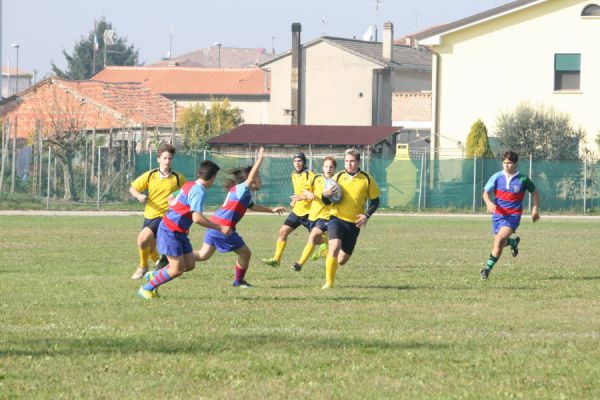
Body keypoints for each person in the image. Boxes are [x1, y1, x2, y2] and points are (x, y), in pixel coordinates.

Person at [137, 160, 231, 299]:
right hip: (171, 231)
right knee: (176, 269)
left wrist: (176, 209)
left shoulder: (190, 184)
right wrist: (219, 227)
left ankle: (154, 275)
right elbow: (197, 218)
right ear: (212, 177)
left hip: (178, 231)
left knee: (189, 264)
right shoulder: (199, 191)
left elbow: (170, 197)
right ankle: (145, 289)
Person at [194, 147, 286, 287]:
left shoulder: (243, 193)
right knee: (245, 254)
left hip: (215, 223)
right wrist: (260, 158)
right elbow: (250, 178)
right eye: (258, 178)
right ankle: (238, 281)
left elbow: (252, 206)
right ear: (252, 179)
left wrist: (271, 210)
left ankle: (173, 257)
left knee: (202, 255)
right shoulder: (243, 188)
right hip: (224, 227)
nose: (260, 181)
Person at [322, 149, 380, 289]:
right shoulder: (337, 177)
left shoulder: (367, 179)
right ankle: (329, 283)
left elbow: (375, 201)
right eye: (347, 161)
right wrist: (325, 195)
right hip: (336, 218)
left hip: (354, 223)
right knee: (335, 248)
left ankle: (325, 250)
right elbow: (327, 202)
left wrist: (366, 215)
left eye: (352, 161)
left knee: (341, 260)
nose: (349, 164)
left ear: (358, 162)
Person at [480, 150, 540, 280]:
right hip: (498, 215)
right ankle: (513, 242)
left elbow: (534, 192)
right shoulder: (496, 176)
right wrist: (489, 203)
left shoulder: (522, 179)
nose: (506, 165)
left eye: (509, 163)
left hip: (513, 216)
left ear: (516, 164)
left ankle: (486, 269)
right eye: (504, 162)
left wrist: (535, 209)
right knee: (501, 243)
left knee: (499, 239)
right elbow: (485, 192)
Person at [129, 143, 185, 280]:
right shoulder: (150, 175)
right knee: (150, 246)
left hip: (165, 217)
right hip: (149, 215)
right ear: (158, 159)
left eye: (170, 158)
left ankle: (143, 267)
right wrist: (139, 195)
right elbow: (132, 188)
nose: (167, 161)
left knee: (142, 240)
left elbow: (186, 193)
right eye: (164, 158)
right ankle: (159, 263)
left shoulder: (178, 178)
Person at [262, 152, 315, 267]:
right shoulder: (293, 175)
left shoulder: (309, 175)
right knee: (282, 231)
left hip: (309, 214)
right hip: (296, 212)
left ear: (304, 162)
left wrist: (305, 197)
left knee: (318, 238)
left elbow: (314, 194)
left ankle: (323, 252)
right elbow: (299, 192)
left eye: (299, 161)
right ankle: (276, 260)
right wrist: (295, 200)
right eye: (295, 161)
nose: (297, 163)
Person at [291, 156, 338, 272]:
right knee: (315, 240)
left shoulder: (338, 181)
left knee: (313, 236)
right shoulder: (316, 178)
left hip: (327, 216)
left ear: (334, 169)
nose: (328, 169)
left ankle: (299, 264)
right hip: (313, 216)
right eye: (326, 166)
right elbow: (305, 190)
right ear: (322, 167)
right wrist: (303, 196)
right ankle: (327, 248)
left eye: (331, 167)